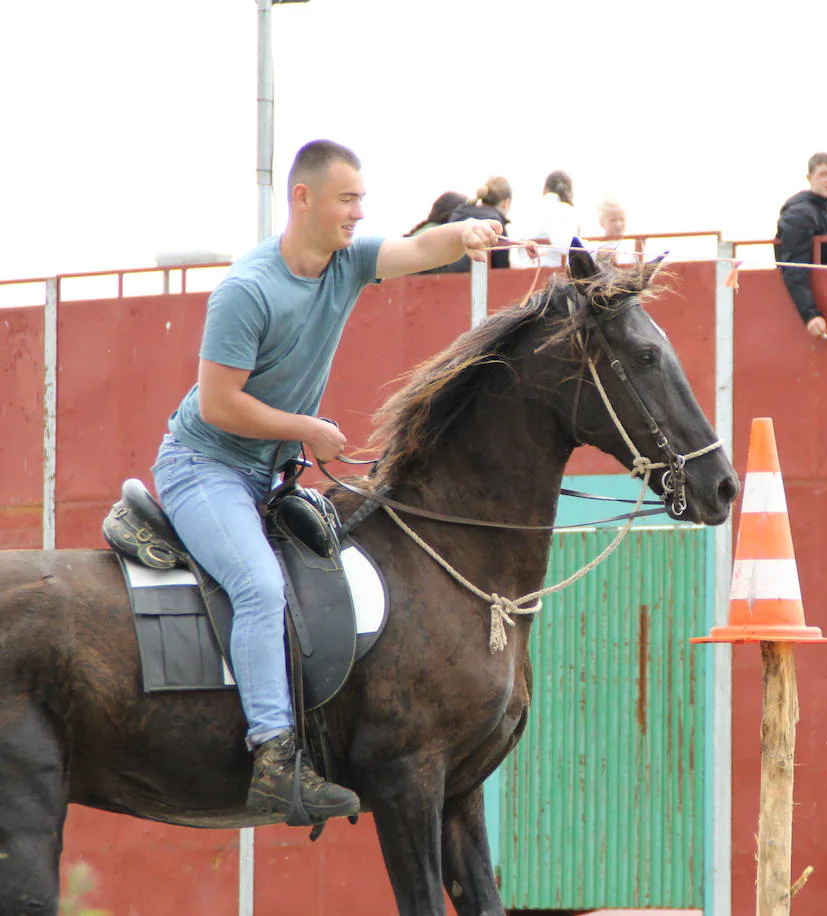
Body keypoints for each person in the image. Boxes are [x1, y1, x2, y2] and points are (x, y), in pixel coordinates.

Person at [151, 139, 500, 822]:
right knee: (257, 587)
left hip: (270, 476)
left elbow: (421, 251)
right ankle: (276, 761)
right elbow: (219, 404)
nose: (358, 212)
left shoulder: (349, 261)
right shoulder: (248, 290)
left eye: (362, 200)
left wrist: (468, 231)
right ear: (302, 198)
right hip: (206, 468)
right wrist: (307, 429)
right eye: (347, 199)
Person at [775, 152, 827, 339]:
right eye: (823, 174)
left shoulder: (823, 211)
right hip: (820, 300)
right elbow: (794, 268)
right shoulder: (801, 213)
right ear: (810, 178)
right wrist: (810, 314)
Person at [429, 177, 514, 273]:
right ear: (506, 203)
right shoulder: (496, 224)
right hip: (469, 283)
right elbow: (501, 270)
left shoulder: (460, 211)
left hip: (438, 274)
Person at [524, 170, 579, 267]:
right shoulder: (568, 211)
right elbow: (570, 245)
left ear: (545, 189)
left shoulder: (530, 208)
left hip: (524, 268)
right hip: (558, 272)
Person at [593, 196, 637, 266]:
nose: (618, 224)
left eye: (622, 219)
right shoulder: (596, 246)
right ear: (601, 222)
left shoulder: (633, 242)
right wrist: (600, 255)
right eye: (613, 220)